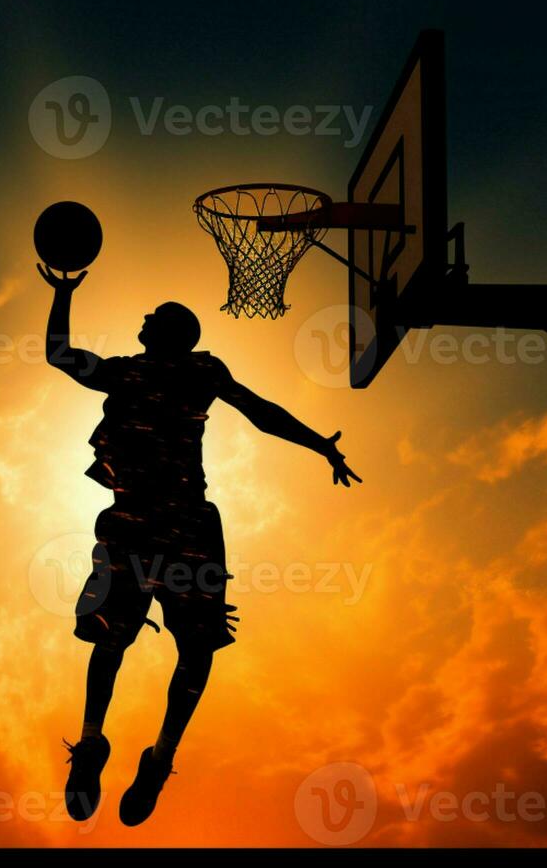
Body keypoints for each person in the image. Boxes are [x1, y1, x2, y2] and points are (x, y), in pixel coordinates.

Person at [39, 264, 361, 826]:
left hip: (162, 524)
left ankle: (148, 757)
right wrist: (320, 446)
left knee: (155, 643)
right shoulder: (164, 372)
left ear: (164, 332)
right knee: (145, 643)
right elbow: (262, 414)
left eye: (152, 315)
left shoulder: (152, 373)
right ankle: (97, 748)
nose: (142, 318)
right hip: (169, 525)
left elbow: (60, 354)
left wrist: (63, 296)